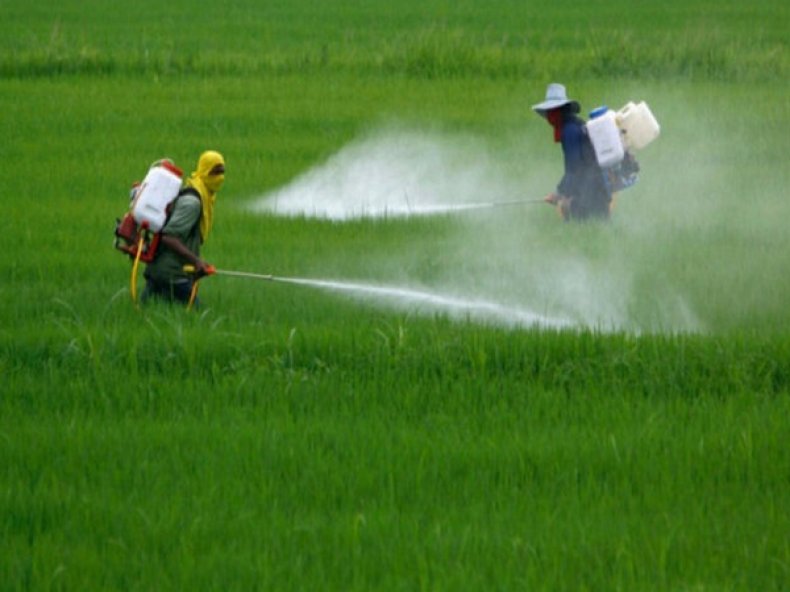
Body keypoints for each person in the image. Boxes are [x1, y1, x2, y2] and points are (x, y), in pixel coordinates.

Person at [142, 150, 226, 305]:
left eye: (222, 172)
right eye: (215, 172)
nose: (220, 178)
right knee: (198, 317)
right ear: (204, 171)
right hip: (171, 274)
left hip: (161, 270)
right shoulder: (192, 203)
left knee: (147, 314)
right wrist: (196, 261)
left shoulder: (202, 195)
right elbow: (169, 237)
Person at [532, 83, 611, 221]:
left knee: (575, 220)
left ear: (560, 110)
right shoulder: (576, 124)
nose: (549, 117)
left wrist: (558, 193)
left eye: (552, 111)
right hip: (598, 189)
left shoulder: (569, 131)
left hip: (591, 192)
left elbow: (574, 169)